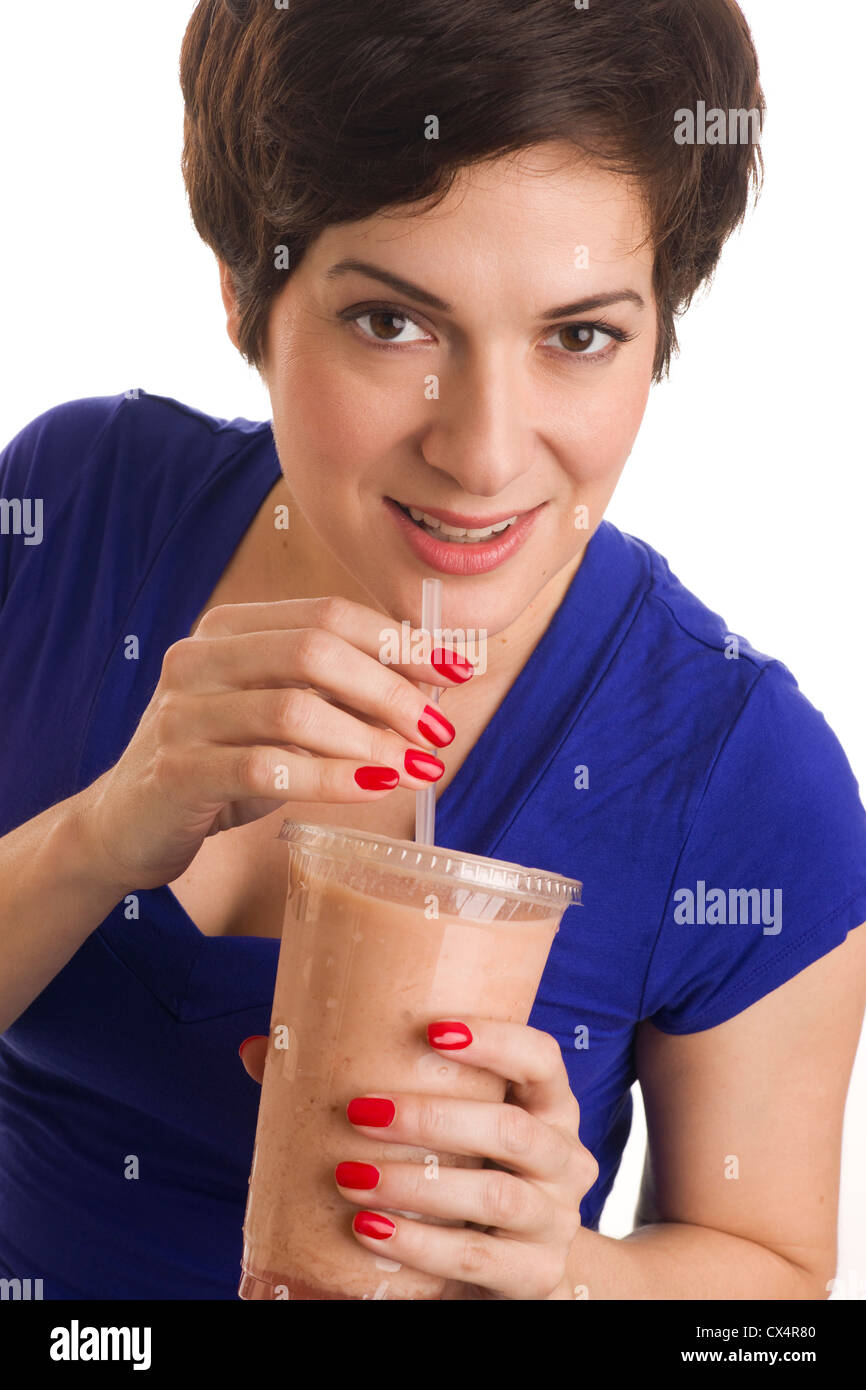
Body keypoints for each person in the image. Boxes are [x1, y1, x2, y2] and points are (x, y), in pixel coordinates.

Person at [1, 0, 865, 1302]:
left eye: (578, 335)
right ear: (244, 289)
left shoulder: (737, 772)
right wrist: (98, 830)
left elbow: (772, 1286)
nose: (482, 452)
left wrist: (563, 1271)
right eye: (392, 324)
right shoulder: (74, 504)